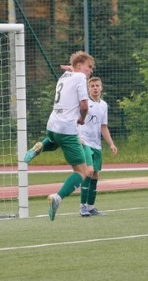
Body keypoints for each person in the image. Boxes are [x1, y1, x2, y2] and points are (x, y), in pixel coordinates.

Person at [25, 51, 95, 221]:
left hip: (52, 126)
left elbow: (72, 70)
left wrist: (72, 68)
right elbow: (84, 106)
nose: (91, 70)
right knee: (83, 172)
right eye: (89, 66)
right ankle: (58, 197)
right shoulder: (80, 78)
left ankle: (41, 146)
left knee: (54, 140)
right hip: (67, 129)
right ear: (80, 66)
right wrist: (81, 119)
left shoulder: (64, 76)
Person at [77, 76, 118, 216]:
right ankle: (82, 207)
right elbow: (75, 121)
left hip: (97, 144)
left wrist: (111, 144)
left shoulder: (103, 105)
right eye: (92, 86)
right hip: (84, 142)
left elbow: (103, 127)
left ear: (101, 88)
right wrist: (78, 137)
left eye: (97, 85)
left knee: (95, 174)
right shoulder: (84, 104)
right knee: (88, 171)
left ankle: (91, 207)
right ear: (88, 89)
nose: (95, 88)